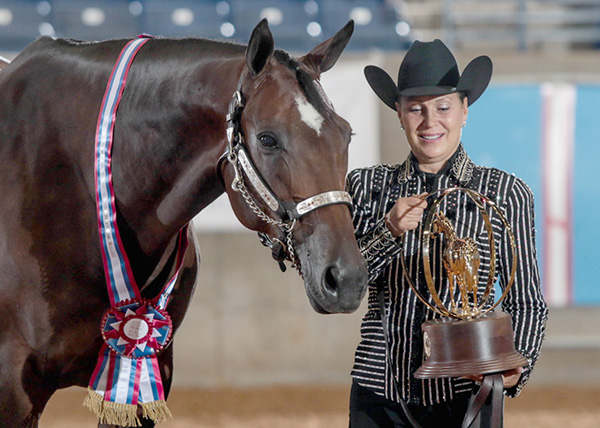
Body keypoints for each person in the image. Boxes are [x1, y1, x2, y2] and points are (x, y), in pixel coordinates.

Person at [346, 39, 549, 427]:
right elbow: (347, 290)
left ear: (464, 111)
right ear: (399, 114)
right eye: (415, 109)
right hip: (379, 396)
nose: (430, 121)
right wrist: (387, 231)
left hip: (469, 394)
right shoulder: (366, 186)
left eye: (443, 107)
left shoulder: (507, 194)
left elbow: (527, 302)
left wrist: (515, 366)